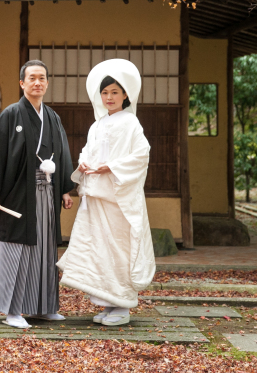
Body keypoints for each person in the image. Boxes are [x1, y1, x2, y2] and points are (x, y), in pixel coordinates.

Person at [0, 60, 76, 329]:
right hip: (18, 193)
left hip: (47, 192)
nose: (37, 82)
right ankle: (12, 310)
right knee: (17, 247)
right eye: (32, 78)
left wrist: (64, 188)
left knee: (45, 247)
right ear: (22, 83)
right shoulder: (11, 114)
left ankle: (44, 307)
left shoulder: (53, 117)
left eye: (42, 78)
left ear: (47, 83)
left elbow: (62, 152)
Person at [57, 58, 156, 326]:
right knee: (98, 249)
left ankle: (122, 306)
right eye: (105, 93)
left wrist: (110, 167)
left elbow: (141, 155)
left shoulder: (131, 123)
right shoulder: (97, 125)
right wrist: (85, 163)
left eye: (114, 92)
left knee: (119, 249)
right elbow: (87, 153)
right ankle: (108, 304)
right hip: (96, 196)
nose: (109, 97)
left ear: (125, 95)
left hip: (118, 199)